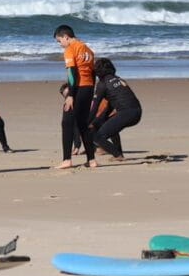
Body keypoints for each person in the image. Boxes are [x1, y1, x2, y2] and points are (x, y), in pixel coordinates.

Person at [54, 25, 97, 169]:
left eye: (59, 41)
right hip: (89, 88)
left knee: (67, 123)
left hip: (77, 89)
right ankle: (91, 160)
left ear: (66, 37)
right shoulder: (87, 49)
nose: (60, 45)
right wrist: (91, 92)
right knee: (82, 125)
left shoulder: (70, 49)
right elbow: (93, 73)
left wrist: (70, 95)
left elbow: (72, 73)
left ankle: (67, 160)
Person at [88, 58, 142, 161]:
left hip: (126, 113)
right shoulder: (119, 79)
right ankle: (119, 153)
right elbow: (110, 107)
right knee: (110, 124)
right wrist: (96, 121)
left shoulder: (102, 84)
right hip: (137, 111)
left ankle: (117, 155)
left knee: (97, 136)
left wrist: (87, 123)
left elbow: (94, 108)